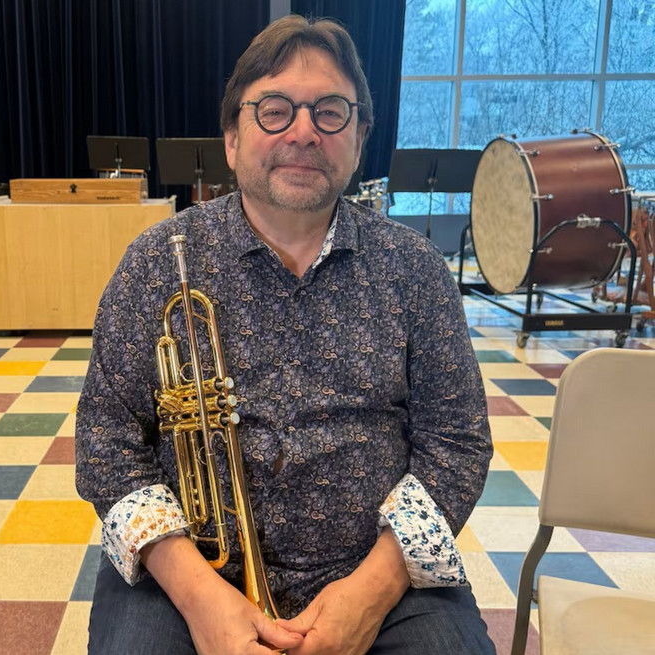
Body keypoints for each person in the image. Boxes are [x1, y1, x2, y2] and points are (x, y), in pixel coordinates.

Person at [76, 14, 494, 655]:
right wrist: (200, 597)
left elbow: (457, 445)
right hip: (187, 569)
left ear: (359, 138)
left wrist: (371, 592)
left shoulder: (416, 270)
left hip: (382, 572)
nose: (303, 131)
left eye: (330, 112)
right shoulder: (157, 263)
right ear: (232, 138)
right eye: (274, 110)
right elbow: (106, 446)